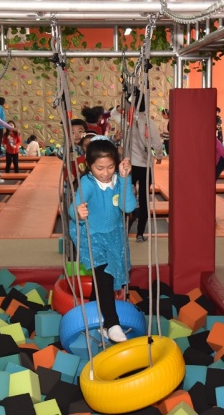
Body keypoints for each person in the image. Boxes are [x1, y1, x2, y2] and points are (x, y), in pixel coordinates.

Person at [69, 136, 137, 342]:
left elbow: (128, 207)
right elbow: (74, 206)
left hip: (114, 235)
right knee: (105, 275)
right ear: (89, 167)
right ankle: (112, 323)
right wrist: (77, 211)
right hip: (92, 235)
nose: (106, 173)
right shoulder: (88, 183)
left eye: (110, 167)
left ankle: (95, 317)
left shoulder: (117, 180)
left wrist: (125, 179)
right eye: (100, 168)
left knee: (103, 280)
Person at [129, 92, 163, 243]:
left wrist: (118, 108)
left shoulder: (128, 120)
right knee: (143, 200)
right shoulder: (148, 122)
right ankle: (140, 234)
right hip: (144, 167)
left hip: (130, 166)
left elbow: (114, 114)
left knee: (126, 197)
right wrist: (159, 156)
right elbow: (157, 143)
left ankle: (125, 230)